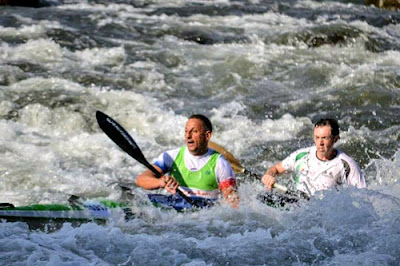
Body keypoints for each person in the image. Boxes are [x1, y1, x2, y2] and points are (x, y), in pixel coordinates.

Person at [136, 114, 239, 209]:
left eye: (194, 131)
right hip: (174, 204)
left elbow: (233, 204)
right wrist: (160, 182)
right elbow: (141, 179)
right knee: (137, 200)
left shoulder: (220, 163)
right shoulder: (171, 156)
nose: (188, 136)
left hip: (204, 209)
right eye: (186, 131)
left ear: (207, 136)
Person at [262, 118, 366, 197]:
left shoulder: (346, 165)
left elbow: (363, 196)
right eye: (317, 138)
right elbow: (275, 169)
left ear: (335, 139)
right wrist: (269, 176)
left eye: (324, 138)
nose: (320, 143)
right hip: (297, 205)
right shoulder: (301, 156)